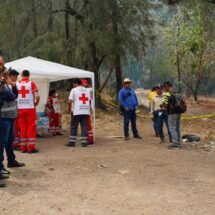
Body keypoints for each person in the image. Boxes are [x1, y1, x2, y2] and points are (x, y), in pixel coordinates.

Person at [0, 69, 25, 173]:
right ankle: (0, 166)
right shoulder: (3, 85)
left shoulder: (5, 85)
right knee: (2, 142)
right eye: (5, 74)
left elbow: (16, 94)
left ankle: (11, 160)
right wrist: (7, 82)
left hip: (10, 117)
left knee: (10, 141)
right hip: (4, 117)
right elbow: (11, 96)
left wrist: (13, 86)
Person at [16, 70, 40, 153]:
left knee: (22, 128)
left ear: (22, 75)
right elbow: (37, 96)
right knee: (31, 127)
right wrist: (37, 102)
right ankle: (31, 148)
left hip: (20, 108)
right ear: (29, 76)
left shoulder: (17, 84)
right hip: (30, 108)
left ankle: (23, 148)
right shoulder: (31, 83)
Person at [67, 78, 91, 147]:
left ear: (75, 83)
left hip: (77, 111)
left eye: (73, 84)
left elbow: (70, 101)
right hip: (86, 111)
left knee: (74, 126)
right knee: (84, 126)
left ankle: (71, 142)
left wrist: (69, 109)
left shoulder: (74, 90)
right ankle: (84, 142)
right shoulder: (87, 90)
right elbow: (89, 101)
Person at [163, 81, 181, 149]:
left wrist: (163, 105)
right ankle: (178, 142)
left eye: (164, 87)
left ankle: (175, 144)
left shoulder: (167, 94)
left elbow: (165, 104)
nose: (164, 89)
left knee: (172, 128)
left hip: (171, 113)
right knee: (177, 128)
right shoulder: (177, 92)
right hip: (178, 112)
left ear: (167, 86)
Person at [9, 70, 21, 150]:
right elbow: (13, 96)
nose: (16, 78)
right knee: (11, 128)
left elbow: (16, 95)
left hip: (12, 109)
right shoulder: (8, 85)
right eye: (15, 76)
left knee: (14, 128)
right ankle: (13, 144)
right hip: (8, 111)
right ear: (11, 76)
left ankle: (14, 144)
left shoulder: (13, 84)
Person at [81, 79, 94, 144]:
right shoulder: (89, 90)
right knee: (87, 124)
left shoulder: (88, 90)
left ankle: (90, 139)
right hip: (86, 109)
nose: (84, 86)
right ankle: (89, 138)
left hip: (86, 109)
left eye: (84, 85)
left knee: (87, 124)